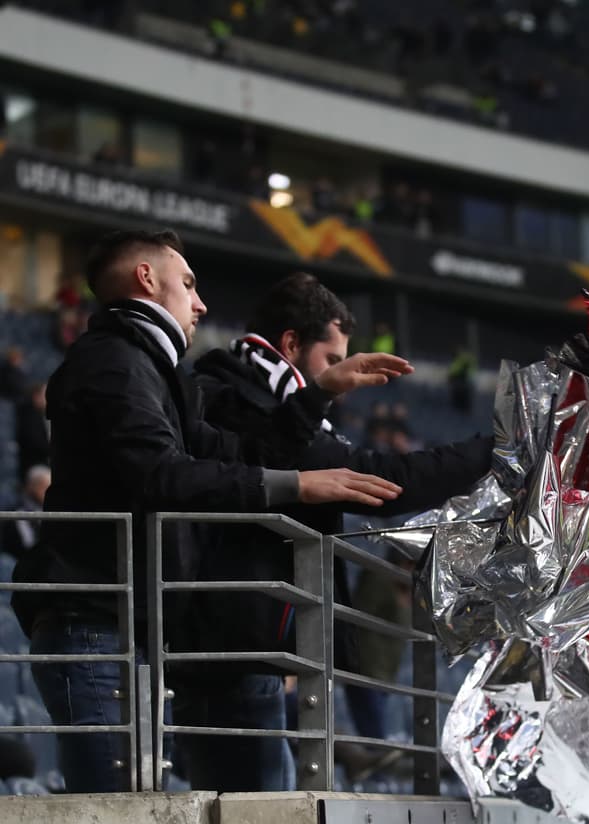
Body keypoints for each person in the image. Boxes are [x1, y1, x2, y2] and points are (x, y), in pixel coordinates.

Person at [11, 229, 411, 793]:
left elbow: (234, 452)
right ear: (147, 280)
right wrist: (297, 485)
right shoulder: (114, 363)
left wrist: (316, 395)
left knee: (135, 807)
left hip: (124, 627)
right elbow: (163, 474)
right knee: (113, 811)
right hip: (94, 624)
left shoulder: (149, 368)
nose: (200, 303)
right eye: (189, 284)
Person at [180, 272, 492, 791]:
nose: (342, 377)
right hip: (231, 648)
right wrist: (492, 449)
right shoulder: (240, 399)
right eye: (331, 361)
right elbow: (384, 480)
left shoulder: (267, 400)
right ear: (290, 345)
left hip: (251, 651)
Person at [1, 464, 50, 559]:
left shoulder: (52, 509)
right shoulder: (18, 512)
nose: (47, 493)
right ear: (32, 486)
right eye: (44, 487)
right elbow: (26, 545)